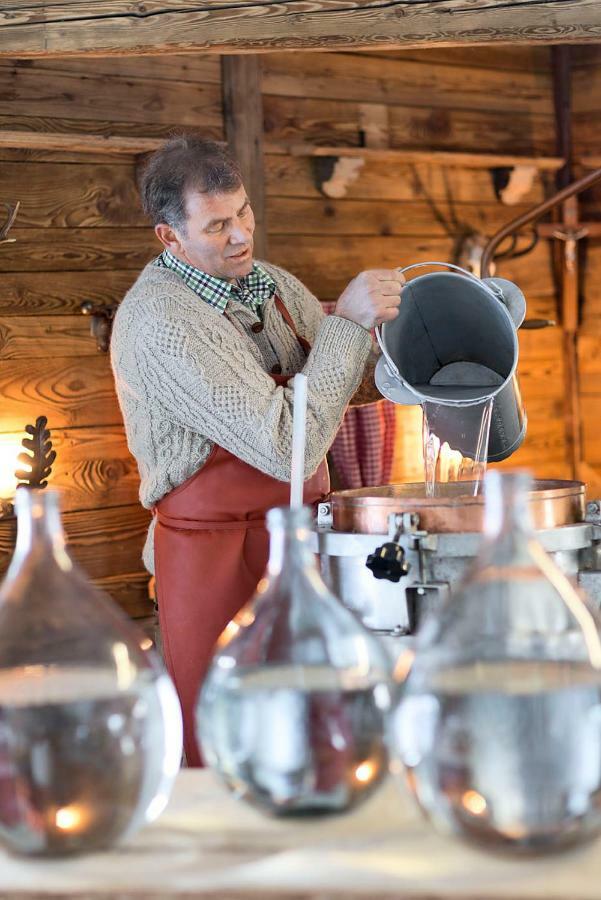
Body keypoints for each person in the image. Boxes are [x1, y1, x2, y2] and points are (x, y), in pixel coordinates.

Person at [110, 135, 404, 765]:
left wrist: (401, 354)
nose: (241, 234)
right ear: (169, 237)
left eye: (243, 212)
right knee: (228, 739)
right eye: (217, 225)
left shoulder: (271, 285)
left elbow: (334, 384)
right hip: (212, 559)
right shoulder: (161, 322)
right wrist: (346, 327)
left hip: (298, 540)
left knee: (311, 727)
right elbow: (285, 446)